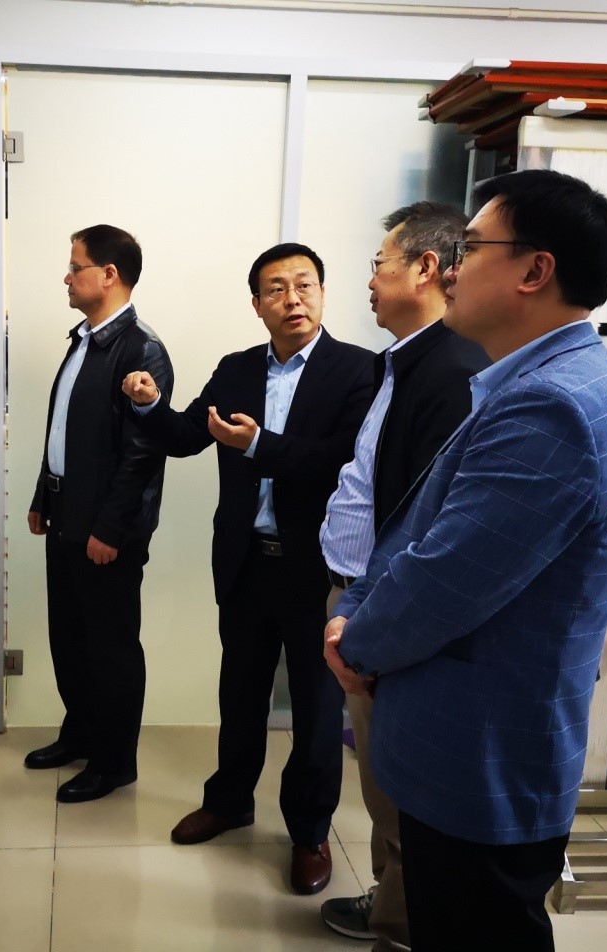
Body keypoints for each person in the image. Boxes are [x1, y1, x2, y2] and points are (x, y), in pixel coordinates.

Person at [325, 169, 607, 951]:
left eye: (469, 249)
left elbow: (444, 578)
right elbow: (421, 526)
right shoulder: (531, 380)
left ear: (534, 270)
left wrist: (355, 640)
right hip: (466, 747)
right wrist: (357, 606)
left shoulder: (553, 406)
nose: (451, 268)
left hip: (481, 760)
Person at [122, 243, 374, 895]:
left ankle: (310, 832)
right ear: (257, 304)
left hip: (318, 570)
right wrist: (150, 405)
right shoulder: (236, 369)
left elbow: (342, 459)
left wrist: (259, 445)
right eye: (276, 289)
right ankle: (229, 801)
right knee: (239, 693)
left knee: (317, 708)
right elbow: (188, 435)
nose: (292, 299)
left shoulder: (358, 370)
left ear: (322, 294)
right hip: (245, 561)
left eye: (304, 285)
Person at [317, 202, 489, 948]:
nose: (369, 281)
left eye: (378, 265)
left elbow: (427, 524)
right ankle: (394, 902)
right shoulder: (405, 359)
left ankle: (403, 922)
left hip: (382, 606)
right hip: (360, 595)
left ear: (425, 268)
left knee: (396, 783)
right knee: (380, 774)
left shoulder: (451, 370)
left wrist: (371, 621)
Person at [24, 224, 174, 804]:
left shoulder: (141, 350)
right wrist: (43, 496)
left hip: (106, 528)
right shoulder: (84, 340)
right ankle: (80, 734)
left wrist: (109, 529)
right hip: (67, 512)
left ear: (109, 275)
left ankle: (114, 763)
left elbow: (142, 454)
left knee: (110, 647)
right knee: (69, 636)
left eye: (75, 266)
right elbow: (64, 430)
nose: (67, 277)